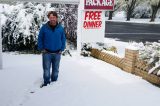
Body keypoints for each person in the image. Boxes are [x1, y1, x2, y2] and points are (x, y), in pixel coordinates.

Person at [38, 11, 66, 88]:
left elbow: (63, 39)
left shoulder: (60, 28)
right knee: (46, 69)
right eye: (50, 17)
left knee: (56, 69)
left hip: (57, 53)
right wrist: (41, 48)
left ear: (56, 18)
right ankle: (46, 83)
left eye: (54, 17)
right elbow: (40, 38)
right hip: (47, 53)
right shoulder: (44, 27)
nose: (52, 19)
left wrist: (62, 48)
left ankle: (54, 83)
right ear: (49, 18)